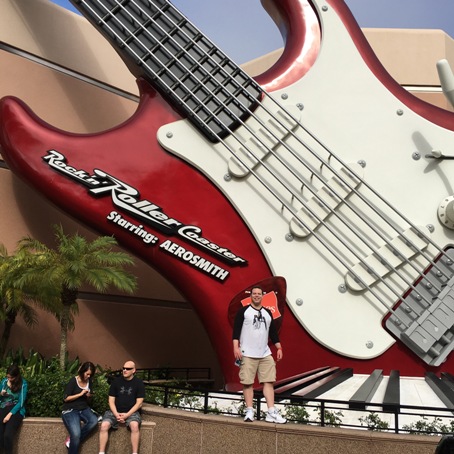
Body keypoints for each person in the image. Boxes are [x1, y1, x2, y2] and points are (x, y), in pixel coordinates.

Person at [233, 285, 287, 424]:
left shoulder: (268, 313)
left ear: (263, 295)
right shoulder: (244, 311)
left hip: (265, 353)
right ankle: (250, 410)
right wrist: (236, 348)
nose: (256, 295)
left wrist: (278, 347)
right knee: (248, 382)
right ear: (251, 296)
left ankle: (271, 412)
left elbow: (273, 332)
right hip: (247, 352)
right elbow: (236, 331)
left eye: (259, 293)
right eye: (254, 293)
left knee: (269, 381)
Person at [98, 360, 145, 454]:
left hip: (131, 413)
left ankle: (135, 453)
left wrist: (127, 415)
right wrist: (116, 414)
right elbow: (111, 401)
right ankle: (101, 452)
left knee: (135, 426)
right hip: (114, 412)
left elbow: (139, 403)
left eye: (128, 369)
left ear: (134, 370)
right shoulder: (116, 382)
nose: (125, 370)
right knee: (104, 425)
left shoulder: (139, 383)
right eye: (123, 368)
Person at [62, 361, 98, 453]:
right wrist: (80, 394)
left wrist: (89, 396)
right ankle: (74, 439)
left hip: (84, 408)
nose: (89, 376)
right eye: (87, 374)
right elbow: (66, 398)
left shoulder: (89, 381)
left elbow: (89, 398)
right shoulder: (73, 381)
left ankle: (72, 440)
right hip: (70, 410)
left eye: (90, 375)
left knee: (94, 421)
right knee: (76, 434)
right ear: (82, 371)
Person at [0, 365, 28, 453]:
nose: (9, 379)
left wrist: (10, 414)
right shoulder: (4, 382)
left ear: (16, 376)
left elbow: (21, 402)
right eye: (7, 377)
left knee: (7, 435)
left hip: (16, 410)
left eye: (11, 377)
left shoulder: (23, 383)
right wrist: (1, 393)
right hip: (3, 407)